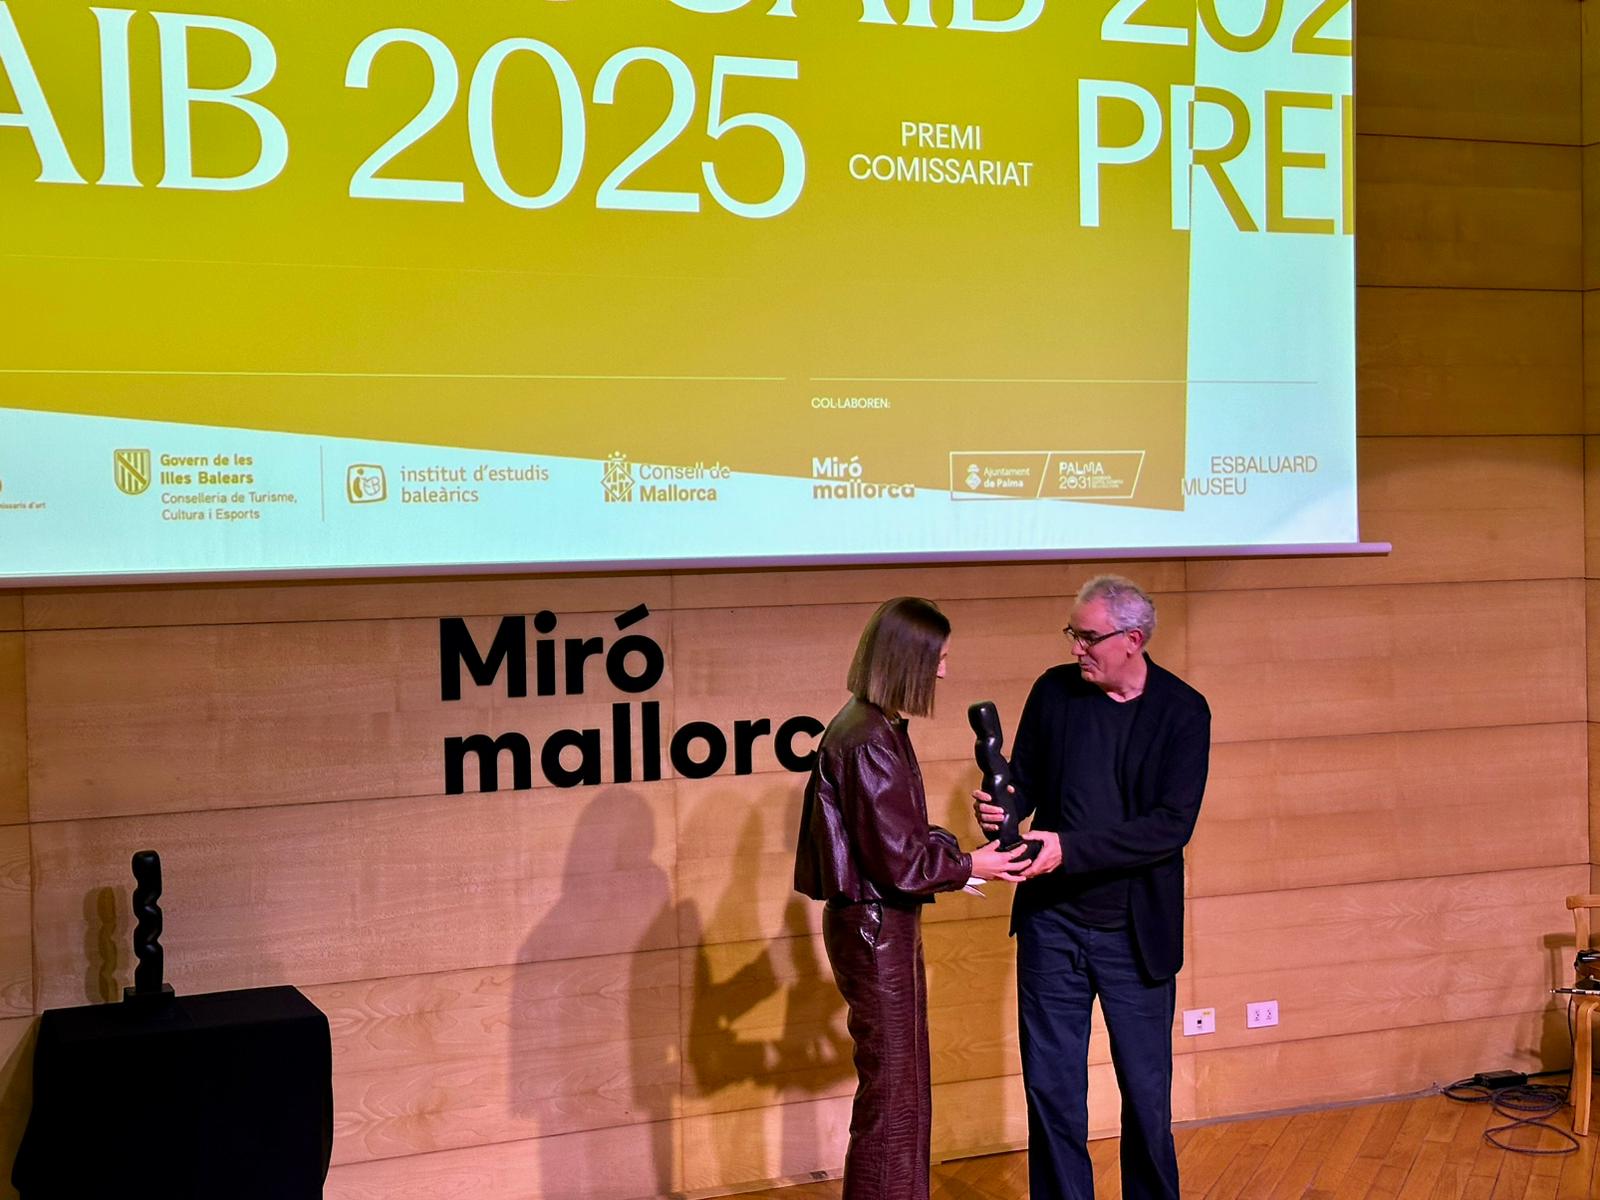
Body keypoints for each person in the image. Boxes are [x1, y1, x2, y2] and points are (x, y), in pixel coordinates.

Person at [974, 575, 1210, 1200]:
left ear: (1133, 639)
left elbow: (1170, 827)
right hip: (1052, 926)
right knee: (1051, 1091)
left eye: (1088, 637)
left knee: (1146, 1096)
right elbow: (1024, 784)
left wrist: (1068, 850)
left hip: (1134, 935)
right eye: (1073, 635)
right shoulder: (1053, 692)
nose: (1076, 648)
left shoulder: (1183, 711)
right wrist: (1003, 811)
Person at [795, 596, 1029, 1200]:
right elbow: (899, 860)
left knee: (901, 1087)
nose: (944, 673)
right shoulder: (868, 738)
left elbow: (898, 836)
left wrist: (953, 864)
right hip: (876, 930)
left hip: (880, 925)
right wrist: (969, 863)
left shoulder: (875, 727)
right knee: (895, 1093)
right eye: (938, 659)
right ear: (908, 661)